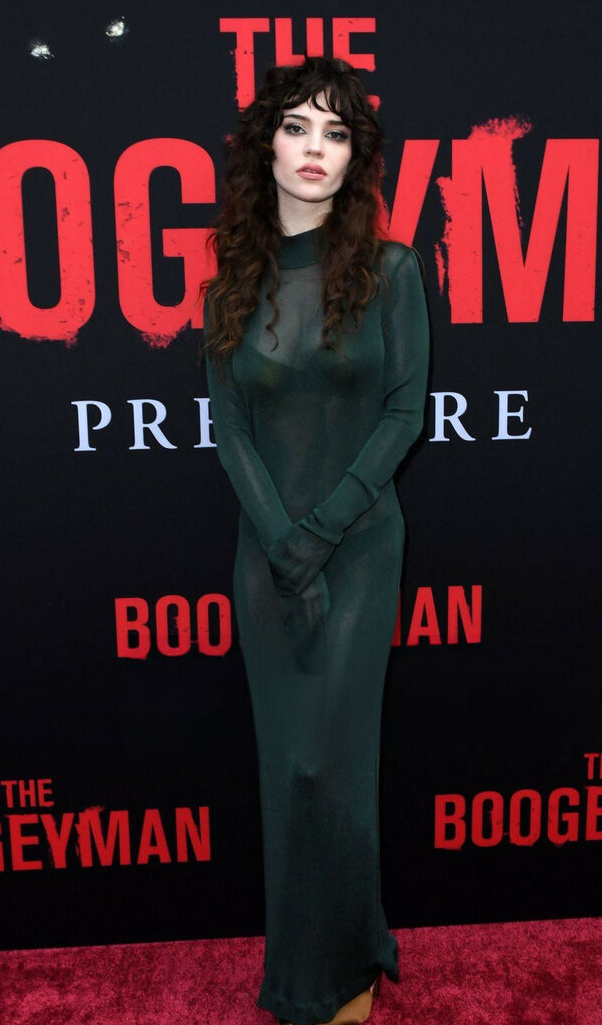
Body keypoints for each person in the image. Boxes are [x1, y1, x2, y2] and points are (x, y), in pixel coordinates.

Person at [201, 55, 431, 1025]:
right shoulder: (231, 282)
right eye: (296, 127)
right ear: (266, 147)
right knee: (286, 771)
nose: (314, 149)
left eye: (335, 133)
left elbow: (404, 412)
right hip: (268, 559)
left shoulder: (392, 271)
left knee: (332, 769)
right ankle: (307, 968)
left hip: (361, 550)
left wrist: (325, 529)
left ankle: (342, 972)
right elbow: (230, 430)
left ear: (355, 160)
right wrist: (281, 540)